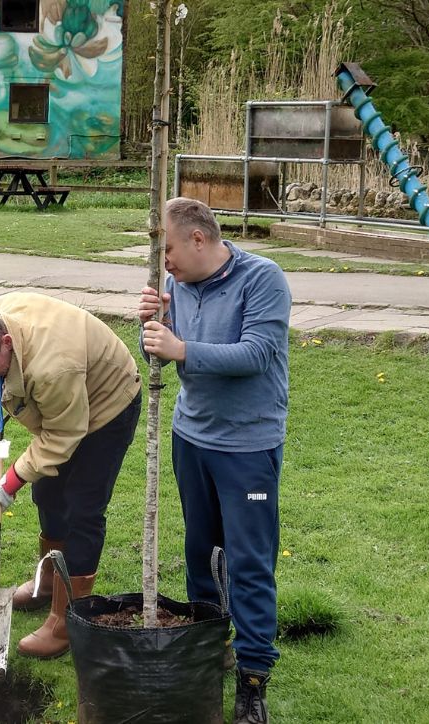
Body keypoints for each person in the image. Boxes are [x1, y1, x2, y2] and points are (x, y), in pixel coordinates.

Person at [138, 197, 290, 724]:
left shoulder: (263, 279)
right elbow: (166, 355)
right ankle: (210, 653)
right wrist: (152, 334)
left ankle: (252, 680)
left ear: (199, 239)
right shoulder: (178, 286)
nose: (167, 264)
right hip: (191, 437)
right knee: (201, 552)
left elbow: (258, 354)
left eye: (171, 250)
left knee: (248, 562)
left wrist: (182, 349)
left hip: (248, 445)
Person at [0, 292, 141, 658]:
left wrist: (10, 481)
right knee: (49, 493)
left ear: (5, 341)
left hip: (109, 403)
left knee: (84, 508)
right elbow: (47, 424)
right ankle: (51, 579)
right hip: (69, 400)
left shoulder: (53, 367)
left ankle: (67, 619)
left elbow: (61, 436)